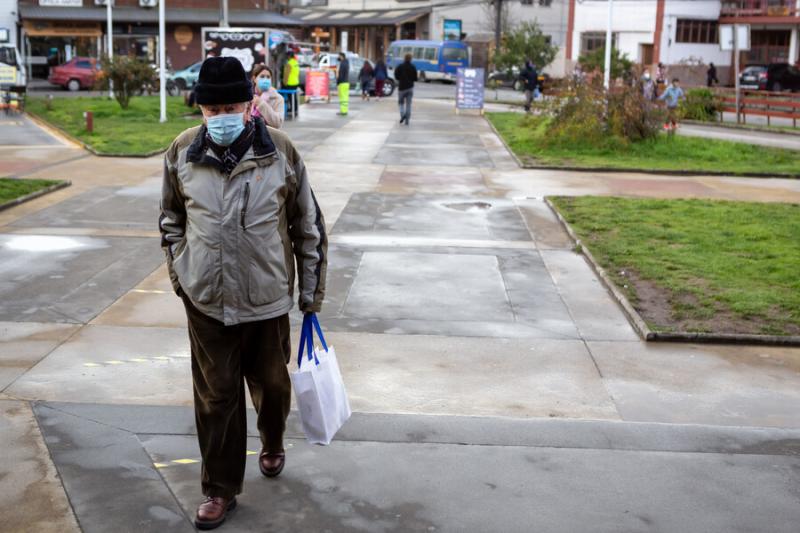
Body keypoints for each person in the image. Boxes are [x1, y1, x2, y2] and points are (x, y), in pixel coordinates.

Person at [159, 56, 327, 531]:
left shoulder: (281, 151)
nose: (222, 116)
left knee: (273, 387)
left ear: (249, 103)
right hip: (207, 301)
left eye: (231, 104)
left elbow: (307, 227)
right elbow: (171, 220)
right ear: (201, 111)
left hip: (267, 299)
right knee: (217, 398)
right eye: (212, 109)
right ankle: (219, 489)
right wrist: (182, 277)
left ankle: (272, 439)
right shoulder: (182, 153)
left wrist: (310, 296)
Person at [250, 64, 284, 129]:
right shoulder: (248, 97)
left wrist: (261, 104)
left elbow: (278, 124)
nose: (265, 80)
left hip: (269, 136)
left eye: (268, 77)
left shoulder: (278, 99)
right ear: (254, 79)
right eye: (262, 76)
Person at [394, 53, 417, 125]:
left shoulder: (400, 66)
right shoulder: (413, 67)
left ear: (404, 58)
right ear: (411, 59)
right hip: (410, 88)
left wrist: (400, 79)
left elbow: (396, 75)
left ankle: (402, 114)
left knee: (401, 103)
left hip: (401, 88)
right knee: (408, 104)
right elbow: (415, 78)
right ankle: (407, 120)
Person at [282, 50, 300, 116]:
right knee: (294, 97)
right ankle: (295, 109)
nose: (287, 57)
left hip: (290, 83)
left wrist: (284, 83)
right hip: (296, 82)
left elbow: (286, 75)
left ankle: (292, 109)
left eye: (287, 55)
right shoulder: (296, 63)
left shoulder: (289, 64)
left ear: (289, 56)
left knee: (290, 97)